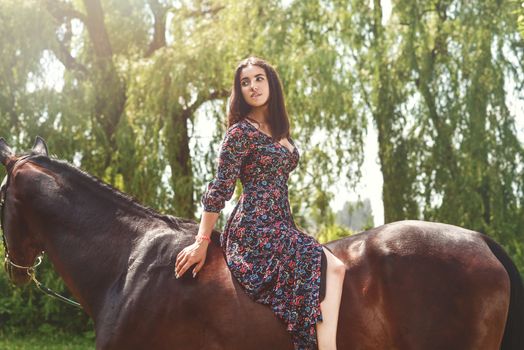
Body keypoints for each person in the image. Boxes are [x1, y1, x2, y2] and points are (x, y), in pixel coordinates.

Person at [174, 56, 346, 350]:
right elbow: (220, 189)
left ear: (270, 83)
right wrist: (201, 240)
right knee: (335, 267)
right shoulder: (240, 133)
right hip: (254, 228)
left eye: (258, 78)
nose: (252, 86)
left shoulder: (279, 132)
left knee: (332, 267)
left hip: (281, 222)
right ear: (239, 92)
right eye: (245, 82)